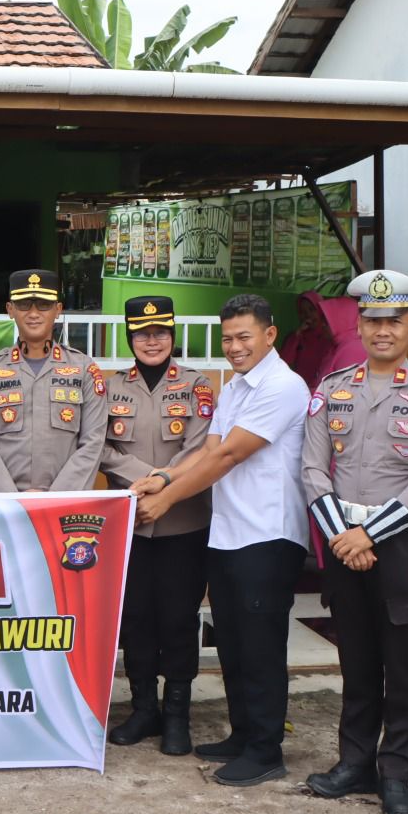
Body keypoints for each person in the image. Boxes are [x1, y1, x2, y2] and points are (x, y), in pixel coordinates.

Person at [130, 294, 310, 787]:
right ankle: (242, 732)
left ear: (269, 335)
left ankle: (265, 748)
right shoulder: (233, 387)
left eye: (244, 337)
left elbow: (228, 456)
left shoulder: (283, 387)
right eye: (227, 338)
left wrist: (165, 500)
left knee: (261, 646)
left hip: (268, 535)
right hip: (228, 533)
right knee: (231, 641)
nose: (234, 347)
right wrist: (164, 479)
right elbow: (207, 449)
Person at [302, 270, 408, 814]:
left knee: (404, 660)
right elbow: (313, 469)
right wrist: (345, 536)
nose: (382, 330)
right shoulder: (331, 388)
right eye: (372, 320)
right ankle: (354, 762)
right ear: (361, 326)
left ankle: (396, 773)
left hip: (400, 545)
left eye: (395, 320)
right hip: (342, 537)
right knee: (357, 656)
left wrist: (367, 535)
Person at [99, 295, 213, 756]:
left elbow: (201, 447)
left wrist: (161, 485)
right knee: (135, 617)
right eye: (143, 334)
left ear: (172, 335)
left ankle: (177, 713)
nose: (152, 340)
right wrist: (143, 480)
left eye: (160, 333)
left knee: (179, 617)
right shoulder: (109, 388)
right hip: (131, 519)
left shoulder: (197, 386)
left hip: (183, 521)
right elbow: (100, 447)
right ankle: (143, 707)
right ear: (130, 337)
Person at [0, 270, 105, 493]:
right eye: (23, 305)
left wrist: (52, 499)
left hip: (66, 504)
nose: (33, 313)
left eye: (43, 305)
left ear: (58, 310)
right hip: (8, 509)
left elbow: (93, 442)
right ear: (10, 310)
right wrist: (15, 501)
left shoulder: (84, 370)